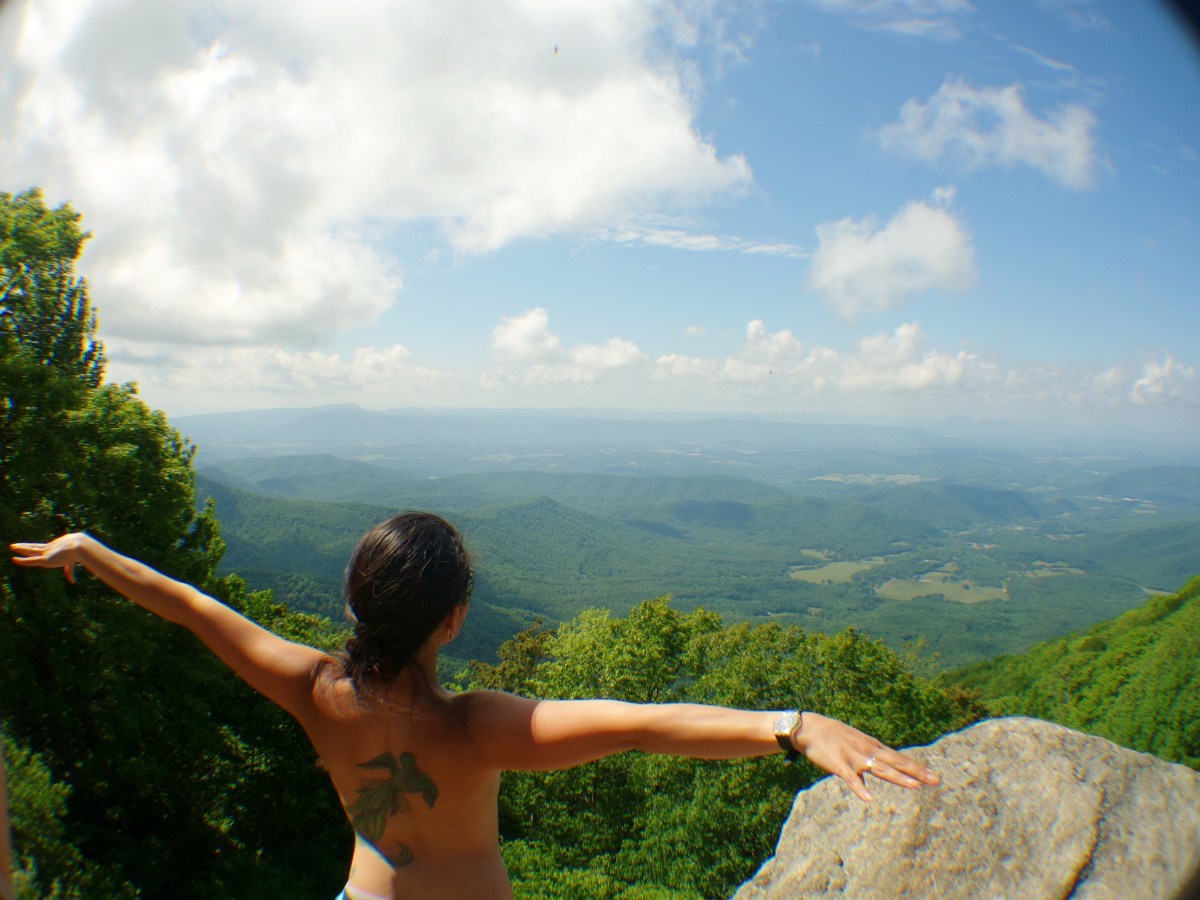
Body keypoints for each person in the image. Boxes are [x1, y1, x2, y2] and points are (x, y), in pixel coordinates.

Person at [11, 513, 939, 900]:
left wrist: (91, 553)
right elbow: (646, 720)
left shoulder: (310, 689)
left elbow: (193, 609)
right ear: (453, 620)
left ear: (352, 601)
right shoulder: (479, 728)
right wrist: (794, 727)